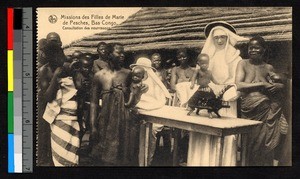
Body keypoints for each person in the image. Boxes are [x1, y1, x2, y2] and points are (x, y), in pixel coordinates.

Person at [187, 21, 248, 166]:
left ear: (228, 38)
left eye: (223, 37)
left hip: (226, 97)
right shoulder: (206, 57)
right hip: (207, 94)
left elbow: (237, 80)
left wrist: (226, 89)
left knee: (224, 133)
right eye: (216, 38)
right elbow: (200, 77)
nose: (219, 40)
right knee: (203, 132)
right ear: (212, 39)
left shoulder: (235, 57)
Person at [235, 36, 287, 166]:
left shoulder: (268, 67)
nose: (253, 50)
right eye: (250, 47)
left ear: (263, 50)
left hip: (265, 110)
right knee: (249, 142)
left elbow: (278, 82)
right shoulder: (243, 64)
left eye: (256, 47)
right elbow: (239, 85)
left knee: (263, 144)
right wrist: (262, 84)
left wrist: (280, 85)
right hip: (248, 109)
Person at [89, 43, 139, 166]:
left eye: (123, 53)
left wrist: (137, 93)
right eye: (119, 52)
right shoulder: (99, 76)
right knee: (104, 154)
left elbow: (132, 99)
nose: (122, 55)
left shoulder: (128, 74)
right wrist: (92, 125)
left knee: (122, 156)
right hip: (105, 120)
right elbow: (94, 103)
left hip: (122, 120)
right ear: (109, 54)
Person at [130, 57, 171, 166]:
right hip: (137, 110)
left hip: (153, 110)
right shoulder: (134, 80)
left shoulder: (154, 81)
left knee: (150, 130)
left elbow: (161, 101)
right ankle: (132, 158)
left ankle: (146, 160)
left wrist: (147, 106)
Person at [37, 33, 66, 166]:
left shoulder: (66, 66)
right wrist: (55, 77)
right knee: (45, 135)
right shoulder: (44, 70)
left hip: (64, 109)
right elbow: (47, 97)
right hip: (46, 106)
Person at [188, 53, 217, 118]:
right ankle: (191, 107)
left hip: (208, 88)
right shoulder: (197, 71)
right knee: (194, 97)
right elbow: (193, 78)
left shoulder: (209, 72)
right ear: (199, 64)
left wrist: (220, 84)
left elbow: (214, 80)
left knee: (213, 97)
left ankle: (210, 110)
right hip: (200, 88)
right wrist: (192, 84)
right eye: (203, 64)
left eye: (207, 63)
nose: (205, 65)